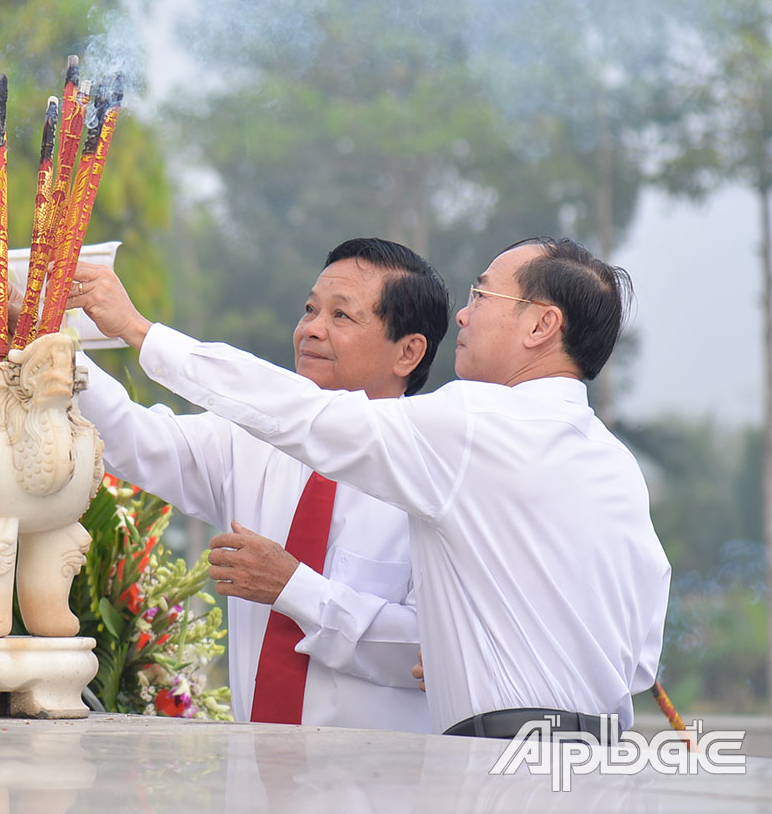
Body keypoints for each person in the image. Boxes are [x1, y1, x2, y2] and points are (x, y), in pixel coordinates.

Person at [68, 236, 671, 741]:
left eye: (482, 295)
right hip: (592, 754)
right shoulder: (613, 464)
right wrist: (58, 352)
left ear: (541, 324)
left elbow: (302, 415)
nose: (466, 314)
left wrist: (138, 330)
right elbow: (641, 653)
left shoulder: (462, 430)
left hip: (471, 761)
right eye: (311, 309)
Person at [62, 238, 450, 731]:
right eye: (310, 309)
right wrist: (52, 348)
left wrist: (295, 588)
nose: (311, 329)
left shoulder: (434, 472)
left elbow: (430, 652)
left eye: (341, 316)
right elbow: (133, 438)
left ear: (408, 352)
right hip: (252, 777)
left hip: (377, 788)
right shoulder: (251, 440)